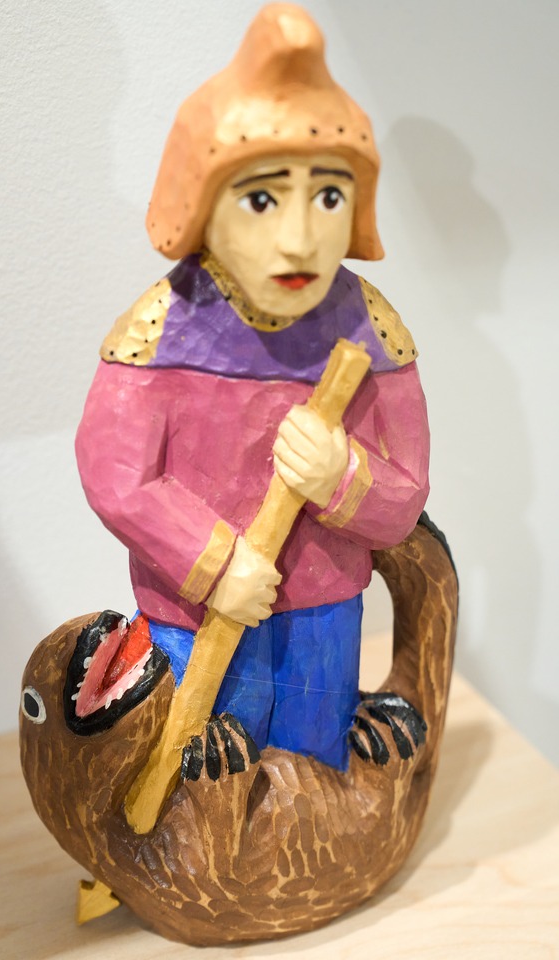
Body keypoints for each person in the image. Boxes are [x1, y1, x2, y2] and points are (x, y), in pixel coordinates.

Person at [75, 3, 429, 772]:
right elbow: (115, 475)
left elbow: (405, 495)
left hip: (324, 613)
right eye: (262, 199)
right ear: (199, 203)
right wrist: (213, 566)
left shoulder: (372, 332)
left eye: (327, 197)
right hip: (193, 614)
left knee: (311, 773)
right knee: (201, 775)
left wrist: (343, 479)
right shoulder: (160, 329)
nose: (298, 239)